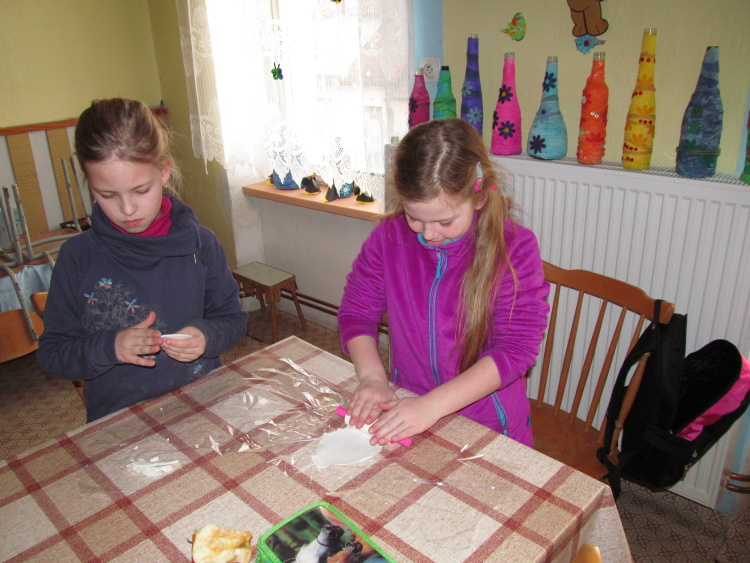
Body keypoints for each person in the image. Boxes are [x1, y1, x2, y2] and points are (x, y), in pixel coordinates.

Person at [338, 118, 550, 447]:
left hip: (488, 423)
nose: (429, 234)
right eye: (414, 218)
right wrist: (372, 377)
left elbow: (515, 349)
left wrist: (433, 406)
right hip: (408, 404)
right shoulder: (389, 236)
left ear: (478, 197)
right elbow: (357, 311)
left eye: (445, 221)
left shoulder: (515, 249)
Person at [37, 98, 248, 422]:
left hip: (202, 403)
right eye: (107, 195)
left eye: (140, 190)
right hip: (121, 421)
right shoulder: (77, 257)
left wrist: (206, 336)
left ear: (164, 171)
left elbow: (233, 320)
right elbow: (53, 354)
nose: (128, 209)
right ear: (91, 187)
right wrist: (109, 347)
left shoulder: (201, 245)